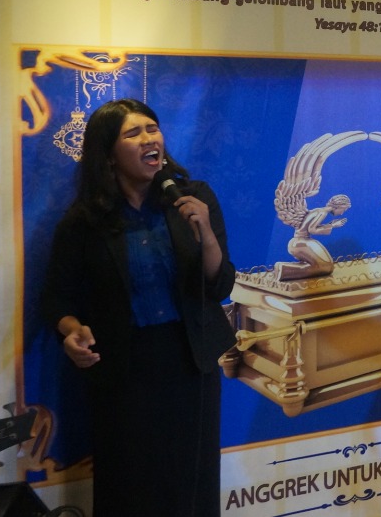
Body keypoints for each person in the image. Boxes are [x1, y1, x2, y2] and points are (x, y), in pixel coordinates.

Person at [40, 98, 236, 517]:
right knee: (132, 484)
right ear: (109, 154)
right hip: (124, 370)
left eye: (153, 128)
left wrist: (206, 233)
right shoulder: (84, 221)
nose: (150, 139)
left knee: (193, 479)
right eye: (134, 133)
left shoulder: (194, 198)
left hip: (191, 362)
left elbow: (218, 285)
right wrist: (72, 330)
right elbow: (57, 299)